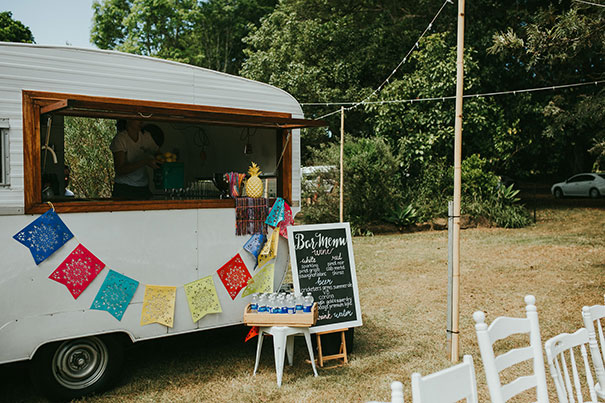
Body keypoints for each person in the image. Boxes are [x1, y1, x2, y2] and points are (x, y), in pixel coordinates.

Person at [110, 120, 161, 200]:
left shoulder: (146, 136)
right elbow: (120, 169)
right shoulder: (120, 139)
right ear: (128, 119)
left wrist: (163, 159)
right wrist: (145, 161)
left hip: (143, 187)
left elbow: (158, 153)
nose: (141, 121)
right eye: (137, 118)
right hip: (124, 188)